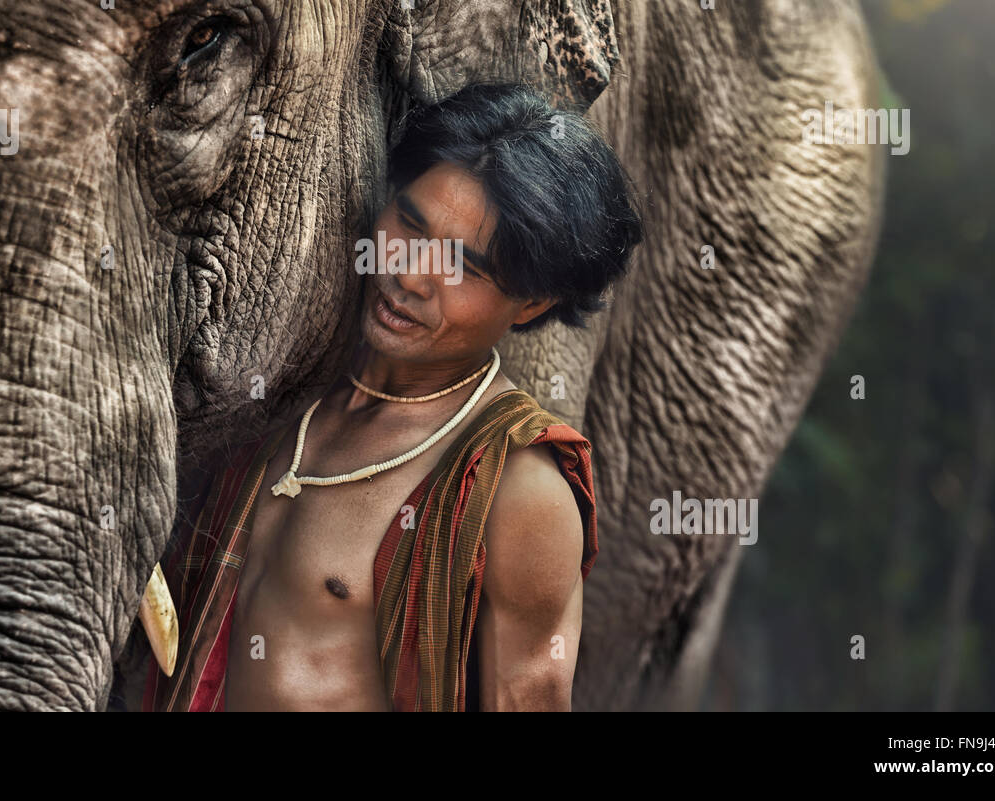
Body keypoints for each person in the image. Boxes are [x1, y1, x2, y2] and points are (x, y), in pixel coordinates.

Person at [143, 82, 644, 711]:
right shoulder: (276, 391)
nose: (408, 273)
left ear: (533, 303)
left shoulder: (518, 487)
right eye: (409, 222)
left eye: (463, 265)